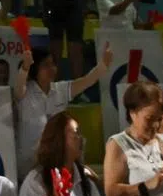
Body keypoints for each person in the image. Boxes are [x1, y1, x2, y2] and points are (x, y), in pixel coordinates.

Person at [14, 45, 113, 179]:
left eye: (53, 64)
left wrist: (103, 66)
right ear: (34, 69)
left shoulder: (60, 89)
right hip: (29, 165)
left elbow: (86, 81)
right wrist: (25, 67)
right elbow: (19, 86)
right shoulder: (24, 92)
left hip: (57, 161)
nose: (52, 69)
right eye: (45, 65)